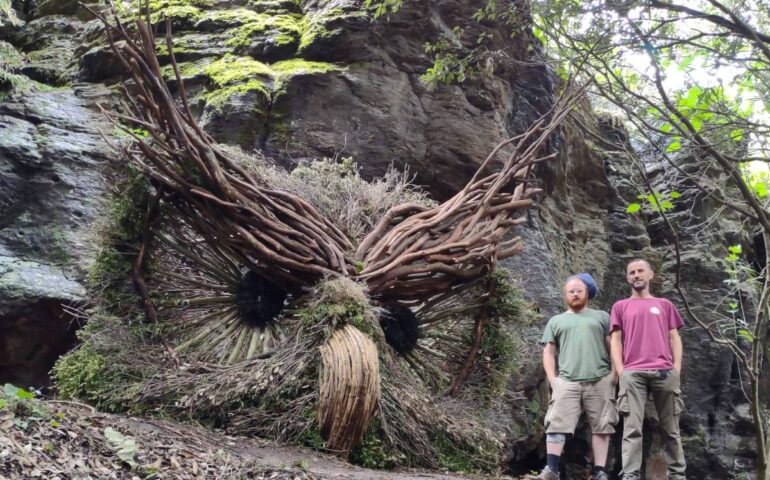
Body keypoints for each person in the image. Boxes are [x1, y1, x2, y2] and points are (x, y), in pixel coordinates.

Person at [610, 259, 686, 480]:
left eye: (640, 271)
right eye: (631, 272)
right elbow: (616, 339)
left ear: (650, 275)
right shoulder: (620, 306)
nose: (636, 275)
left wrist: (676, 367)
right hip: (633, 374)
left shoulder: (665, 304)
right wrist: (621, 370)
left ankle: (677, 475)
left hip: (664, 372)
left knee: (671, 429)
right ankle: (631, 475)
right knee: (632, 429)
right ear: (627, 278)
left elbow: (674, 337)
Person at [537, 273, 616, 480]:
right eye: (570, 291)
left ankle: (600, 472)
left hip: (599, 379)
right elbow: (548, 351)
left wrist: (614, 374)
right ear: (565, 295)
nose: (574, 294)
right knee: (556, 422)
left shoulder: (601, 316)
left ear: (587, 294)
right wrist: (553, 379)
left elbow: (613, 346)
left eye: (579, 291)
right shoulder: (556, 321)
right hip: (567, 381)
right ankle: (551, 470)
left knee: (602, 426)